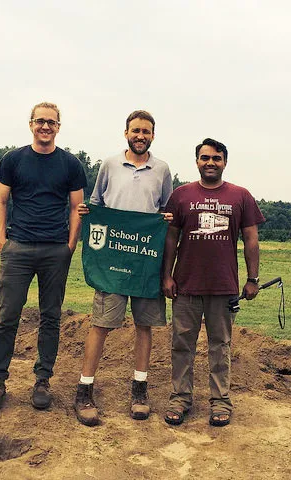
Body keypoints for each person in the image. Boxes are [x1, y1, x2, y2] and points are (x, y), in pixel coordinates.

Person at [0, 102, 87, 412]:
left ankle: (43, 380)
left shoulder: (71, 164)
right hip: (19, 248)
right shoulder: (13, 160)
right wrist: (4, 242)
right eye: (40, 121)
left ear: (58, 127)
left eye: (51, 122)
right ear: (31, 124)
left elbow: (76, 209)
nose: (45, 126)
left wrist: (69, 246)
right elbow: (1, 202)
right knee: (6, 317)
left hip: (55, 250)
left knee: (51, 317)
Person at [73, 110, 173, 426]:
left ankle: (139, 389)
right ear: (126, 133)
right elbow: (97, 205)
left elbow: (165, 209)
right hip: (112, 261)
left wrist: (166, 219)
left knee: (144, 325)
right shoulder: (109, 165)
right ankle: (85, 388)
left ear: (153, 135)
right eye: (135, 130)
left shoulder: (162, 170)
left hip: (144, 261)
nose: (140, 135)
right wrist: (86, 211)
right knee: (101, 323)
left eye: (146, 131)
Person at [161, 137, 265, 427]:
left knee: (220, 345)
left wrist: (252, 279)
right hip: (186, 284)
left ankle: (220, 401)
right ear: (196, 161)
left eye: (216, 158)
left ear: (225, 162)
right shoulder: (181, 195)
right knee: (182, 344)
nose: (210, 163)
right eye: (205, 158)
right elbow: (170, 237)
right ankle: (180, 398)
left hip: (224, 285)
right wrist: (166, 275)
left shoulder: (240, 196)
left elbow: (251, 239)